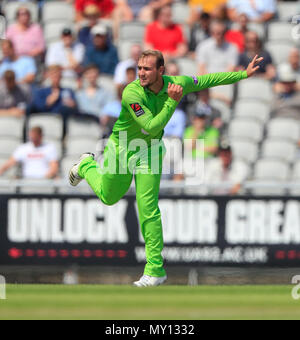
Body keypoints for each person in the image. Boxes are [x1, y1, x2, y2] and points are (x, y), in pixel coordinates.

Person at [68, 49, 263, 287]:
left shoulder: (176, 82)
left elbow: (206, 80)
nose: (141, 73)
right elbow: (150, 126)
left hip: (148, 152)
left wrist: (243, 74)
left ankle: (155, 270)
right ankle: (87, 164)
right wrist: (172, 100)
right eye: (139, 68)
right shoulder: (132, 92)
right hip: (121, 148)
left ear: (161, 70)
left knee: (148, 208)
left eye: (147, 69)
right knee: (109, 197)